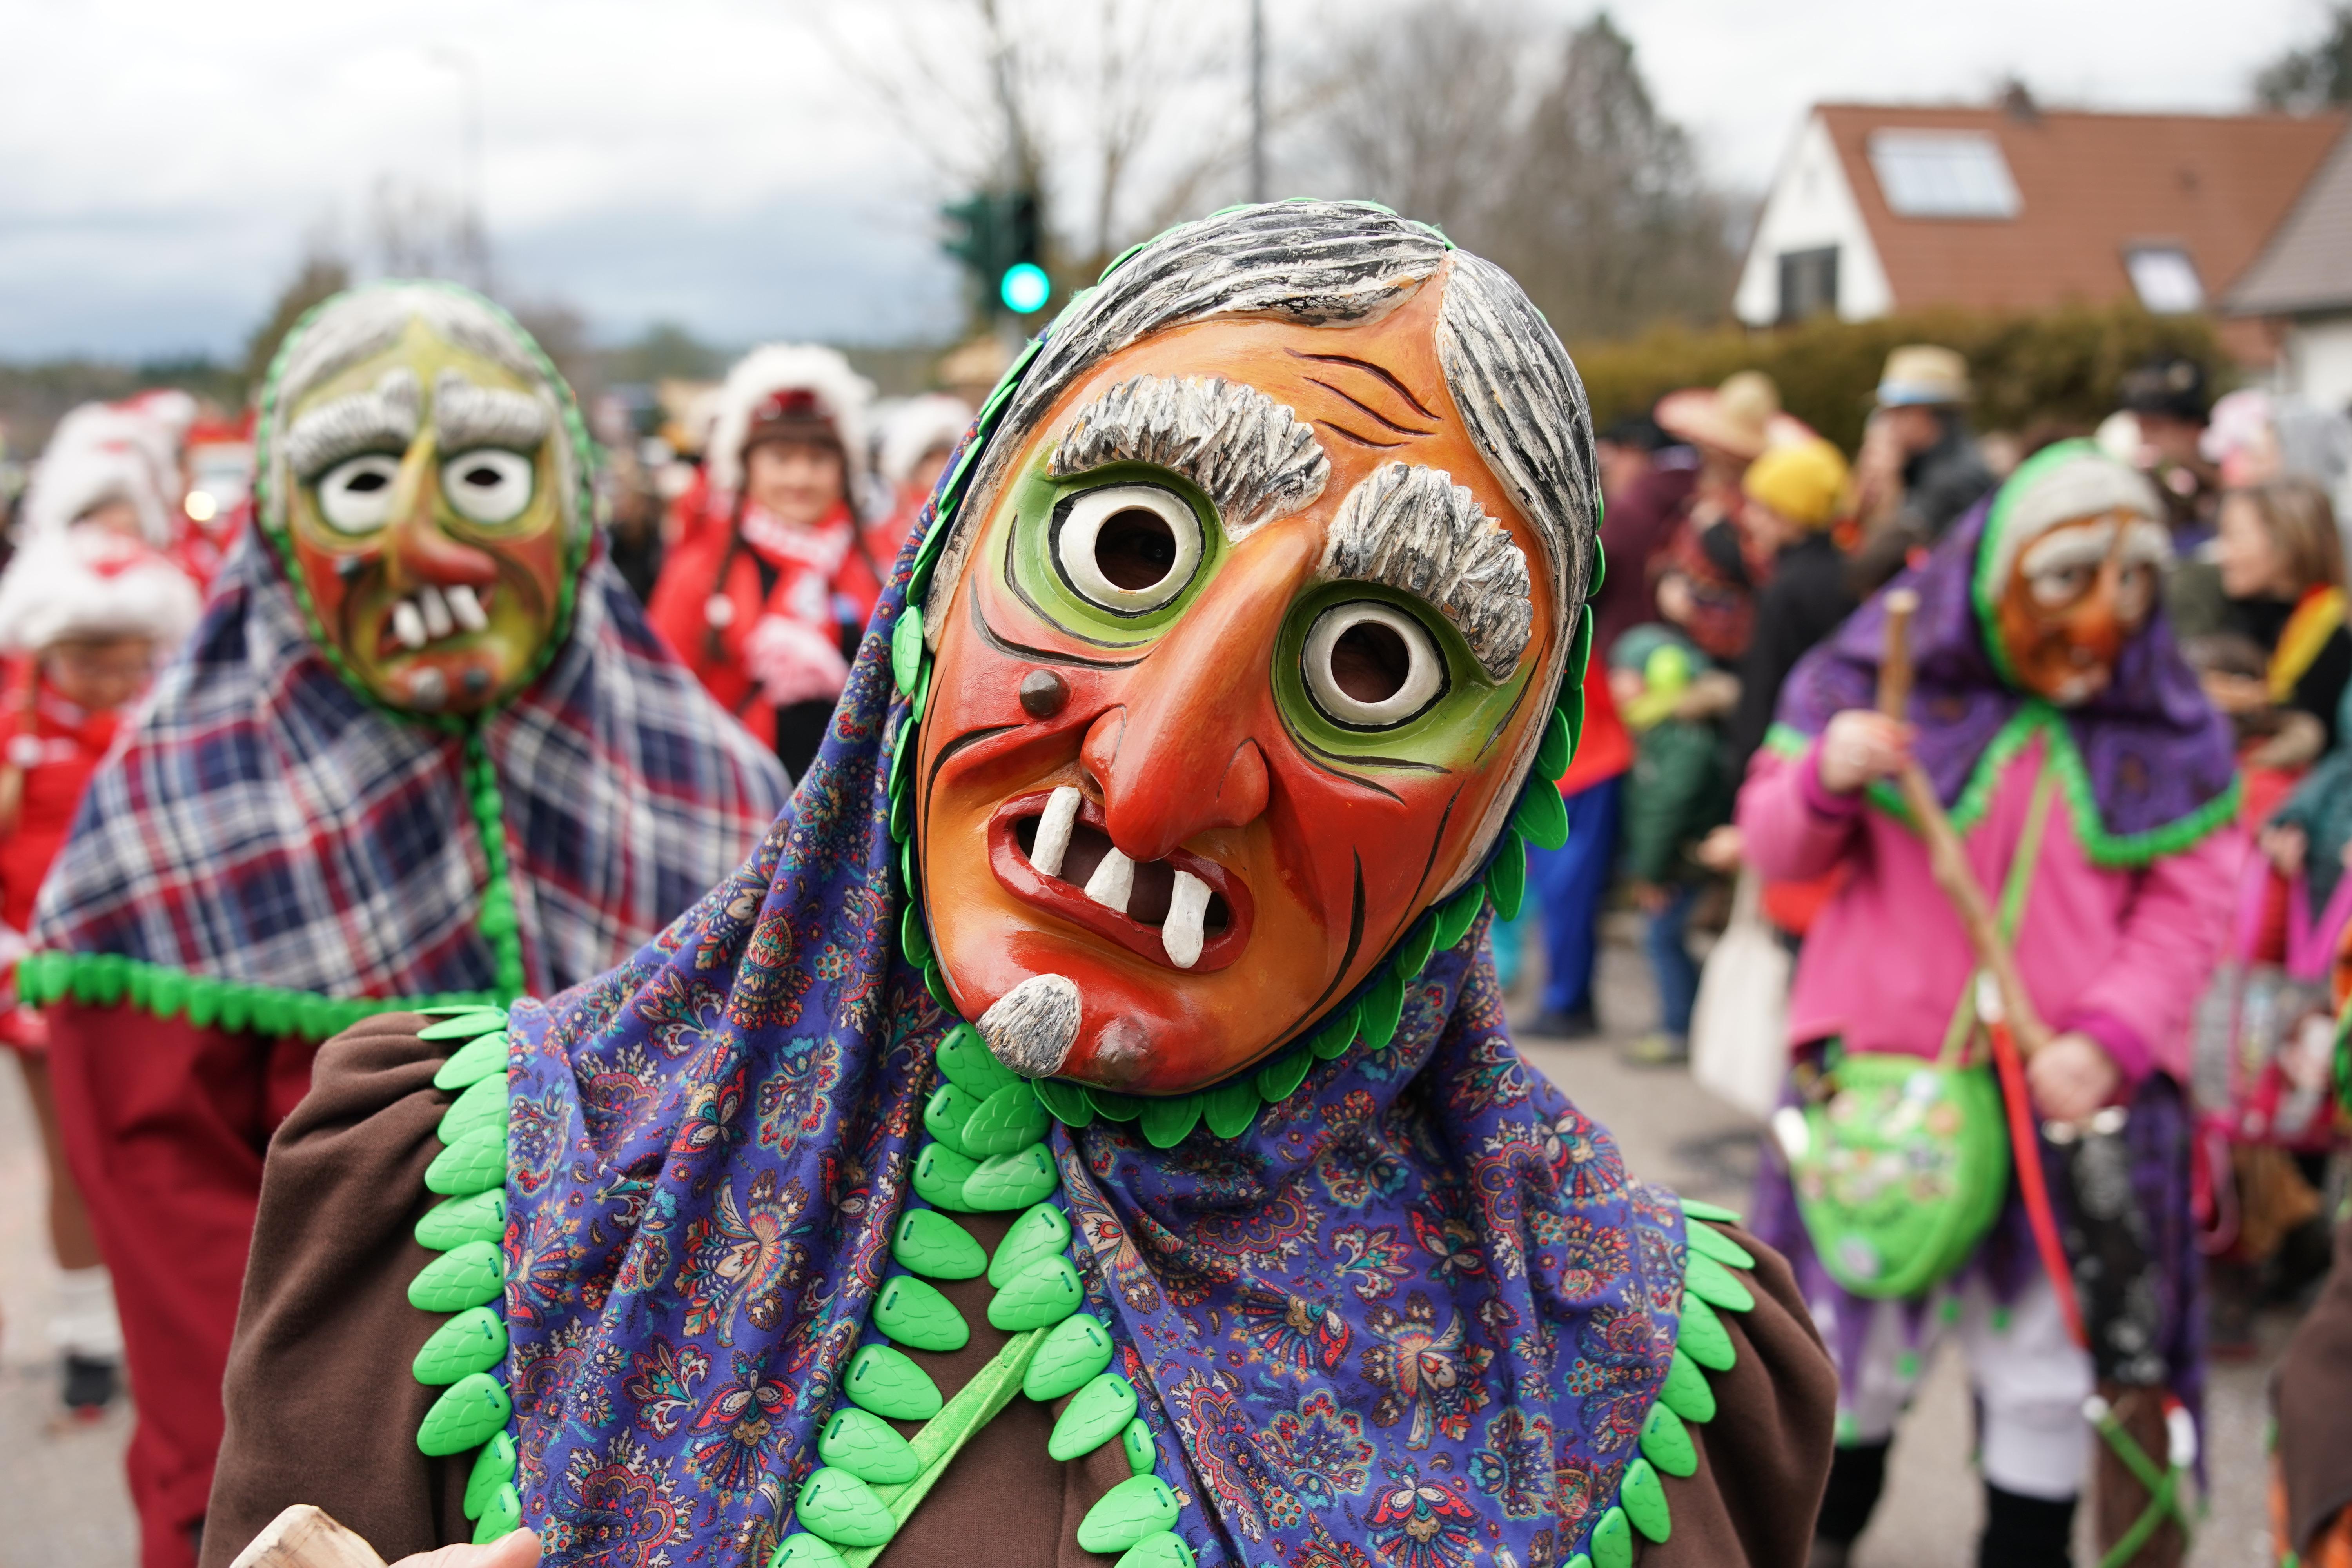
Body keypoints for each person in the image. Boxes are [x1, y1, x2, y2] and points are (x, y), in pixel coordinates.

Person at [201, 201, 1837, 1568]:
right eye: (1128, 551)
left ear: (1482, 828)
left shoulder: (1625, 1372)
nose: (1161, 775)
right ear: (936, 579)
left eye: (1375, 664)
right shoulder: (467, 1197)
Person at [22, 283, 792, 1568]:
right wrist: (299, 1501)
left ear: (574, 510)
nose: (432, 545)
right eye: (365, 485)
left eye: (488, 477)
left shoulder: (715, 793)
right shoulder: (161, 831)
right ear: (278, 529)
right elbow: (177, 1250)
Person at [1742, 442, 2238, 1568]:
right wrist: (1828, 772)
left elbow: (2191, 906)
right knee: (1844, 1364)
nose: (2105, 618)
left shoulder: (2168, 725)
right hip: (1879, 1099)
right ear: (2003, 571)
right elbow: (1774, 844)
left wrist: (2110, 1040)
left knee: (2049, 1383)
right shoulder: (1877, 670)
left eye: (2134, 583)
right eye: (2070, 579)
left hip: (2064, 1109)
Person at [0, 522, 200, 1419]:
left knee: (168, 1160)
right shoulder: (14, 729)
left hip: (158, 978)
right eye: (90, 662)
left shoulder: (170, 720)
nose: (113, 681)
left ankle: (173, 1325)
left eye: (129, 661)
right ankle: (86, 1333)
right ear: (46, 653)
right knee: (74, 1161)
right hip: (41, 979)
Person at [648, 345, 884, 778]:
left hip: (857, 798)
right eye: (780, 459)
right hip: (734, 796)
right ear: (746, 467)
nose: (800, 478)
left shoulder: (879, 565)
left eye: (818, 460)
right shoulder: (699, 570)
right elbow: (663, 702)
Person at [1610, 626, 1732, 1067]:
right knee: (1667, 939)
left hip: (1681, 867)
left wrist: (1652, 873)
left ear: (1661, 675)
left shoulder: (1683, 737)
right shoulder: (1659, 727)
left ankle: (1679, 1029)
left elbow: (1666, 809)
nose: (1615, 683)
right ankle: (1690, 1023)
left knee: (1665, 940)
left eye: (1625, 672)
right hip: (1674, 864)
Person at [1723, 438, 1858, 782]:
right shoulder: (1849, 572)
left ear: (1791, 517)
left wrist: (1744, 780)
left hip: (1782, 763)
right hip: (1828, 756)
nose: (1749, 519)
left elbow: (1763, 691)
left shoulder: (1785, 591)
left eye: (1761, 508)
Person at [2203, 477, 2352, 751]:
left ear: (2286, 541)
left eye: (2235, 537)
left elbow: (2295, 710)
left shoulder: (2332, 624)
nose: (2223, 554)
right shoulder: (2242, 616)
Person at [1651, 370, 1785, 661]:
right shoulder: (1705, 493)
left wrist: (1714, 533)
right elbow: (1673, 552)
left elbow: (1761, 570)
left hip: (1732, 643)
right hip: (1686, 629)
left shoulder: (1760, 503)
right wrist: (1669, 583)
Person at [1848, 346, 1996, 597]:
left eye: (1896, 413)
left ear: (1923, 414)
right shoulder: (1927, 465)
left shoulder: (1954, 481)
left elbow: (1885, 561)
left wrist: (1889, 483)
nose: (1887, 424)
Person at [873, 392, 973, 562]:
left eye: (948, 457)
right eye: (930, 458)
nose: (941, 467)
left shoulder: (969, 514)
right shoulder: (883, 530)